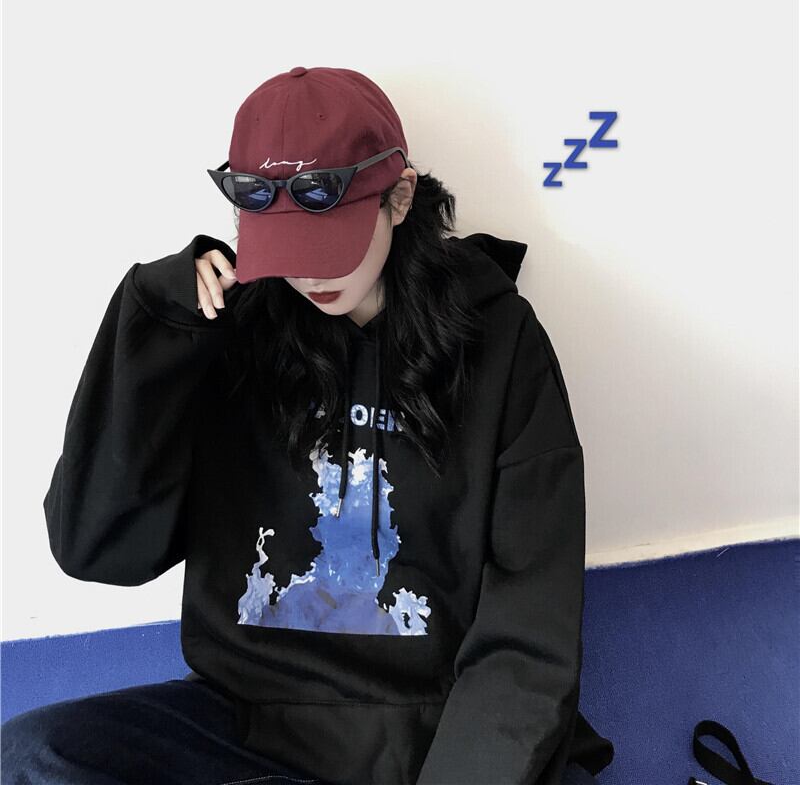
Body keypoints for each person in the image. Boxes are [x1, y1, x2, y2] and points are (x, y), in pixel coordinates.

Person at [2, 66, 614, 784]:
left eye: (329, 244)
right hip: (247, 724)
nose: (309, 276)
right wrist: (154, 328)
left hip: (434, 729)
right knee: (31, 755)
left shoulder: (499, 340)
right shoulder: (232, 331)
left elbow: (529, 626)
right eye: (287, 249)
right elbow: (97, 548)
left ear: (399, 198)